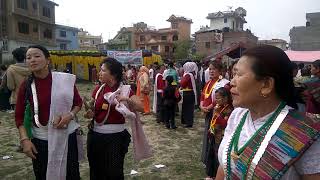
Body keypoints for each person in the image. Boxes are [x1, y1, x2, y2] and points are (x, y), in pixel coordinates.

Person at [216, 45, 320, 180]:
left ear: (266, 85)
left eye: (239, 74)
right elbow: (224, 168)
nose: (232, 82)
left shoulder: (301, 131)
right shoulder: (238, 115)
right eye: (233, 74)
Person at [15, 45, 83, 180]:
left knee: (70, 174)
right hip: (40, 141)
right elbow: (19, 116)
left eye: (37, 56)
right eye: (28, 58)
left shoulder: (64, 80)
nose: (32, 60)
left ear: (48, 60)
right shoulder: (26, 85)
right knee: (43, 175)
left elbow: (78, 103)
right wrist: (25, 140)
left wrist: (70, 115)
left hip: (66, 138)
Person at [84, 58, 151, 179]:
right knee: (95, 169)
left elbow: (141, 108)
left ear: (113, 74)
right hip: (95, 136)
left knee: (113, 172)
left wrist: (127, 99)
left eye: (103, 70)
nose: (99, 73)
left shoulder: (125, 90)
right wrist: (90, 113)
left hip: (115, 138)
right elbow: (94, 109)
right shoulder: (99, 90)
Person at [200, 61, 230, 172]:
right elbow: (203, 96)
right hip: (208, 113)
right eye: (210, 69)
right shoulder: (208, 83)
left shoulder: (224, 83)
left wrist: (209, 107)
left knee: (216, 139)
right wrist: (201, 105)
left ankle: (216, 164)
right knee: (208, 136)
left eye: (214, 69)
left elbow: (219, 99)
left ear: (220, 70)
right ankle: (208, 160)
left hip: (218, 114)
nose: (211, 71)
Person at [206, 87, 233, 180]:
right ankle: (211, 174)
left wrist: (217, 114)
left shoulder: (229, 109)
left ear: (225, 98)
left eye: (218, 98)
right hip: (214, 134)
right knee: (212, 154)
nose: (216, 100)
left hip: (221, 136)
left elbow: (226, 124)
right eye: (215, 98)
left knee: (218, 156)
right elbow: (214, 120)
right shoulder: (218, 107)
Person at [180, 62, 198, 128]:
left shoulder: (188, 75)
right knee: (187, 108)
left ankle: (188, 122)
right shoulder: (191, 74)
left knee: (188, 108)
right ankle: (186, 121)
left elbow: (183, 83)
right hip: (189, 93)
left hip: (188, 93)